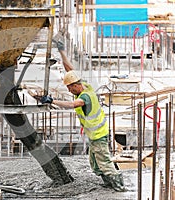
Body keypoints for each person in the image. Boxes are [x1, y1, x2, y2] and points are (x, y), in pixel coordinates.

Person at [40, 32, 126, 192]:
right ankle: (109, 183)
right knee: (95, 165)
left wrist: (52, 101)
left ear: (74, 85)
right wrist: (61, 51)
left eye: (69, 88)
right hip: (95, 136)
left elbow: (73, 104)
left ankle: (119, 187)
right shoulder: (84, 84)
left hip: (99, 135)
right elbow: (69, 69)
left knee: (105, 163)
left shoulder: (84, 96)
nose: (69, 90)